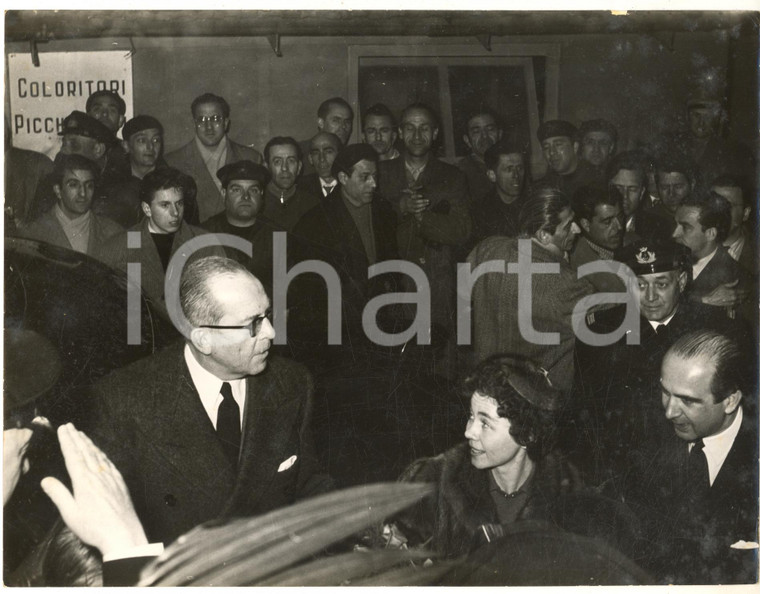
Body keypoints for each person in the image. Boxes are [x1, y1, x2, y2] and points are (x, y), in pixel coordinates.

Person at [90, 256, 333, 546]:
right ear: (204, 339)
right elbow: (113, 529)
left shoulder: (292, 383)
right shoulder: (124, 400)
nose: (271, 332)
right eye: (253, 324)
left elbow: (309, 487)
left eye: (268, 315)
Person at [571, 239, 751, 494]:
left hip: (693, 469)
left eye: (662, 284)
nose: (651, 297)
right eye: (640, 285)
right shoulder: (600, 331)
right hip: (622, 476)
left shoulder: (721, 329)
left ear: (681, 282)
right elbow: (583, 412)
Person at [392, 355, 583, 558]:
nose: (469, 432)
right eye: (471, 416)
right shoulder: (432, 484)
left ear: (527, 433)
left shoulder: (569, 492)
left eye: (485, 423)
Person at [632, 330, 758, 584]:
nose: (668, 412)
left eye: (687, 401)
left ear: (730, 401)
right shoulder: (642, 431)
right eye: (665, 392)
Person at [467, 186, 592, 393]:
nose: (577, 230)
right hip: (537, 400)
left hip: (485, 387)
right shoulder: (569, 285)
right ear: (544, 235)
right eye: (569, 225)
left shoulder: (489, 247)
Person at [291, 143, 399, 347]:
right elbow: (311, 290)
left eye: (375, 176)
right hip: (339, 332)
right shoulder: (315, 223)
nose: (374, 184)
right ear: (342, 178)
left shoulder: (384, 211)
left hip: (381, 323)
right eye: (364, 177)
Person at [377, 102, 471, 337]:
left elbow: (461, 231)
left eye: (424, 128)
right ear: (399, 132)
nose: (417, 135)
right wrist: (401, 207)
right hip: (391, 284)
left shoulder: (454, 177)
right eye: (410, 128)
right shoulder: (380, 173)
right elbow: (371, 225)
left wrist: (423, 216)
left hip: (437, 285)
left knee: (438, 359)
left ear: (436, 133)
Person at [97, 167, 221, 312]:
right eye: (165, 205)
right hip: (137, 333)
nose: (175, 213)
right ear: (147, 209)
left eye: (179, 203)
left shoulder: (205, 245)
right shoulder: (119, 247)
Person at [165, 93, 263, 222]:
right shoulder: (173, 162)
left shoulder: (251, 157)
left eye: (215, 119)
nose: (209, 127)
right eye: (202, 120)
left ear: (226, 123)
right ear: (194, 124)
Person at [95, 115, 199, 228]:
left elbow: (189, 230)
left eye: (156, 140)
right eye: (142, 140)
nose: (150, 147)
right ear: (126, 146)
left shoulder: (180, 183)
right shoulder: (110, 185)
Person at [19, 154, 122, 256]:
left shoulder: (114, 232)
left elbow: (134, 269)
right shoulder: (33, 234)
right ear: (58, 190)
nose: (83, 193)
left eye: (89, 185)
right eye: (73, 185)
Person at [202, 160, 281, 292]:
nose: (245, 197)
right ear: (224, 193)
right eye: (237, 190)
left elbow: (285, 292)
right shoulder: (204, 233)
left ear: (262, 195)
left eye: (253, 190)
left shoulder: (278, 235)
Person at [26, 111, 115, 222]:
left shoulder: (122, 188)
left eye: (74, 145)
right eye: (64, 143)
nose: (64, 151)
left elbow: (134, 237)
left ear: (98, 150)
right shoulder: (51, 183)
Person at [672, 190, 743, 303]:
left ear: (711, 234)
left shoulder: (735, 278)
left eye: (685, 227)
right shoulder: (667, 259)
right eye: (676, 225)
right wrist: (702, 300)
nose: (674, 234)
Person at [568, 185, 626, 295]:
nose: (618, 227)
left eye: (620, 217)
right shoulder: (581, 263)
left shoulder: (630, 241)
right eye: (607, 222)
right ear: (586, 225)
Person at [606, 150, 674, 243]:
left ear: (642, 192)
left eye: (632, 189)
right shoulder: (594, 224)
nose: (624, 196)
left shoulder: (657, 228)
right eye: (619, 188)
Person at [470, 139, 527, 244]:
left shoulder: (535, 203)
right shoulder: (480, 210)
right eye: (509, 169)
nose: (516, 175)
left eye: (519, 168)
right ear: (492, 175)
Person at [261, 136, 320, 231]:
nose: (285, 168)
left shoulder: (312, 205)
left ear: (299, 167)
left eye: (291, 161)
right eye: (277, 162)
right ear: (267, 167)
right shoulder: (257, 203)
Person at [536, 119, 603, 199]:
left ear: (575, 147)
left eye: (558, 145)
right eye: (546, 147)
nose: (552, 152)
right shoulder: (541, 187)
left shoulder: (596, 183)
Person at [457, 106, 503, 206]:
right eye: (476, 132)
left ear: (500, 134)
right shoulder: (460, 172)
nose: (485, 136)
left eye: (490, 129)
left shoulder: (513, 165)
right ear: (467, 140)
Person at [299, 97, 354, 175]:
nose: (343, 127)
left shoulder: (351, 157)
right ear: (321, 123)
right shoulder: (301, 152)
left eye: (347, 122)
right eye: (336, 121)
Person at [299, 131, 342, 200]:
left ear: (340, 155)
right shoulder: (300, 188)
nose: (322, 158)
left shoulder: (350, 186)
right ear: (310, 159)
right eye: (316, 153)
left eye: (328, 152)